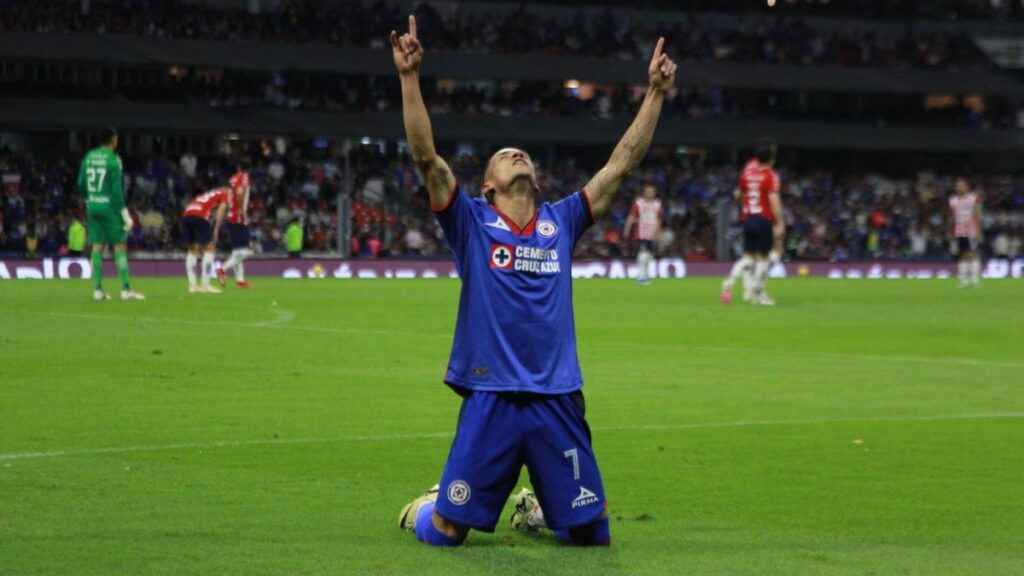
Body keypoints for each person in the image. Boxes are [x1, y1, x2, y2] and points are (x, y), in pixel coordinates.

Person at [391, 16, 676, 547]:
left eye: (521, 153)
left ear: (536, 180)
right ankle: (427, 508)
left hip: (557, 395)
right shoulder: (470, 221)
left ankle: (537, 509)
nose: (515, 153)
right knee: (449, 533)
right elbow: (427, 158)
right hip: (492, 394)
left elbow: (621, 166)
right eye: (503, 155)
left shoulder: (561, 220)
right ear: (488, 186)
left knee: (592, 536)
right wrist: (409, 78)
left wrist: (656, 94)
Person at [77, 128, 144, 301]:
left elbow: (80, 183)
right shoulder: (114, 160)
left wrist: (88, 199)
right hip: (109, 206)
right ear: (113, 140)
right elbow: (117, 190)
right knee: (120, 246)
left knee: (97, 246)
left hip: (92, 204)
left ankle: (97, 290)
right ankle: (125, 289)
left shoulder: (89, 157)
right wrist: (124, 213)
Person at [721, 139, 783, 306]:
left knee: (748, 257)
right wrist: (780, 223)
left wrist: (746, 206)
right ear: (771, 157)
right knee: (763, 257)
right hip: (763, 218)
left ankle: (729, 284)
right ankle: (758, 292)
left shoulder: (748, 171)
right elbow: (774, 201)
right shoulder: (770, 175)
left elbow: (737, 194)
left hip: (748, 218)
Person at [181, 188, 229, 293]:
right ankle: (205, 286)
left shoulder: (208, 194)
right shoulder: (224, 194)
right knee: (210, 248)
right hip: (199, 216)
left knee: (192, 250)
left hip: (187, 214)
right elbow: (221, 210)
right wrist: (216, 229)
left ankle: (192, 286)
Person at [217, 159, 254, 289]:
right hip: (238, 217)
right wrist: (241, 209)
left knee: (237, 251)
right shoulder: (243, 178)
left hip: (231, 216)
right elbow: (239, 192)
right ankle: (222, 269)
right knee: (247, 251)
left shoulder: (233, 178)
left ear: (239, 167)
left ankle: (240, 281)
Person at [622, 183, 662, 285]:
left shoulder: (657, 204)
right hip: (641, 233)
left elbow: (658, 219)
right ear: (644, 193)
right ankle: (640, 277)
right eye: (648, 192)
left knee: (648, 255)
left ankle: (645, 276)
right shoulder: (638, 203)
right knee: (643, 254)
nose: (650, 194)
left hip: (651, 234)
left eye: (652, 192)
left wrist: (657, 232)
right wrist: (627, 228)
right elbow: (631, 216)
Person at [949, 177, 982, 288]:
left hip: (971, 229)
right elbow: (953, 216)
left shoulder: (973, 198)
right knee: (962, 255)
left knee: (972, 254)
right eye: (958, 186)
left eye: (962, 185)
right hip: (959, 230)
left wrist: (978, 230)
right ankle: (963, 281)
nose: (959, 188)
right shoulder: (952, 200)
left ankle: (975, 281)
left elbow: (977, 214)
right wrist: (951, 231)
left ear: (967, 187)